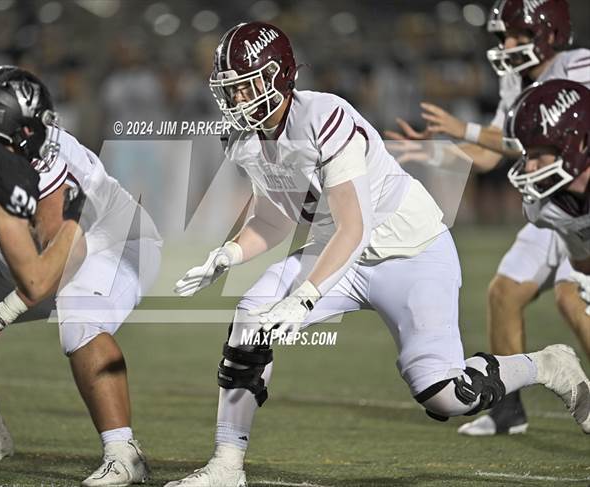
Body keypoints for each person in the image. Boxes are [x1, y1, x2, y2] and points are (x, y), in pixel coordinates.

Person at [165, 21, 590, 487]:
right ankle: (227, 466)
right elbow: (275, 218)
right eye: (230, 89)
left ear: (277, 76)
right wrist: (228, 254)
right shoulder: (246, 138)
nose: (236, 99)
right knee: (250, 321)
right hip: (338, 254)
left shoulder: (323, 116)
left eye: (245, 86)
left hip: (409, 251)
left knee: (446, 395)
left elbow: (355, 225)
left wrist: (304, 297)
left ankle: (547, 365)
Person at [0, 65, 163, 487]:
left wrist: (5, 309)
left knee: (80, 318)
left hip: (114, 244)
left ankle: (123, 453)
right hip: (45, 251)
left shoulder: (42, 157)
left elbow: (65, 253)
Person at [386, 0, 590, 436]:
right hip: (554, 204)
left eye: (518, 34)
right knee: (504, 293)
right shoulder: (514, 79)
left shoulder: (579, 66)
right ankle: (507, 411)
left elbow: (546, 140)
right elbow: (490, 154)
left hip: (582, 197)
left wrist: (464, 129)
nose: (509, 44)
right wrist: (432, 152)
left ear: (550, 32)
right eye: (504, 36)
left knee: (574, 299)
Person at [504, 79, 590, 322]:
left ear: (578, 143)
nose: (529, 168)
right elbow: (583, 262)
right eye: (526, 155)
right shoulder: (548, 208)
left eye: (538, 154)